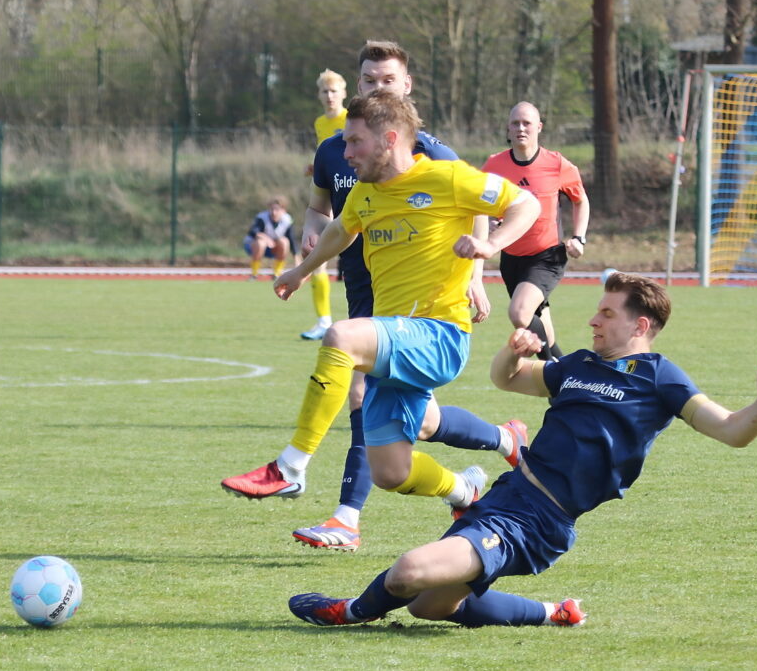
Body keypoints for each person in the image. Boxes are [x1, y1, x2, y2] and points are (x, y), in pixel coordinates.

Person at [287, 272, 757, 629]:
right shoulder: (577, 365)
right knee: (426, 607)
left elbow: (731, 430)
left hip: (541, 522)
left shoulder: (661, 378)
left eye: (607, 312)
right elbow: (506, 379)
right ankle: (555, 611)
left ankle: (348, 611)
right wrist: (514, 350)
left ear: (639, 326)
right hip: (508, 496)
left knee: (409, 573)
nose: (593, 320)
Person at [222, 41, 533, 553]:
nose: (346, 154)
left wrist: (488, 249)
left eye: (355, 143)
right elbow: (339, 233)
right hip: (394, 331)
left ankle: (290, 466)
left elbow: (522, 203)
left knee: (341, 337)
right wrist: (301, 271)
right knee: (392, 470)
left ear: (390, 139)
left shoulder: (446, 173)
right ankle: (465, 487)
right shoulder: (366, 191)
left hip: (438, 333)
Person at [481, 102, 590, 360]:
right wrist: (489, 223)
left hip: (547, 256)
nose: (521, 128)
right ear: (507, 128)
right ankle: (565, 380)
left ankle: (557, 376)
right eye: (515, 123)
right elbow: (478, 206)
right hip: (511, 259)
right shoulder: (494, 165)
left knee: (520, 314)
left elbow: (580, 199)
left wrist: (579, 237)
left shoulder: (556, 164)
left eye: (527, 123)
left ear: (538, 127)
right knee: (544, 330)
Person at [301, 69, 348, 341]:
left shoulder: (351, 119)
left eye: (333, 91)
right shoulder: (320, 123)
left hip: (353, 195)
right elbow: (327, 157)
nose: (329, 96)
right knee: (314, 254)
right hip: (329, 197)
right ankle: (323, 321)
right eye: (324, 92)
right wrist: (315, 166)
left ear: (344, 94)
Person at [244, 195, 297, 280]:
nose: (273, 212)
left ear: (284, 210)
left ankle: (276, 274)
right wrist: (265, 238)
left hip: (274, 249)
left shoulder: (287, 220)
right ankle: (254, 274)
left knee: (284, 242)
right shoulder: (262, 217)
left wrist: (296, 257)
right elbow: (253, 232)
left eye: (277, 209)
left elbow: (291, 239)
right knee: (261, 243)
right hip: (253, 247)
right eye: (272, 209)